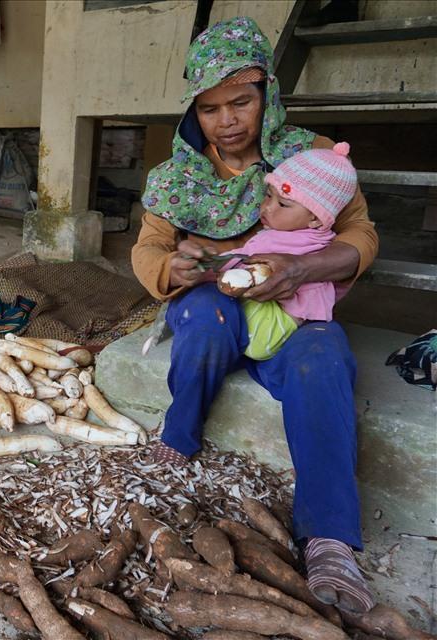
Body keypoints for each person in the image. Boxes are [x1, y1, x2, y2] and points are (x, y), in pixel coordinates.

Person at [132, 17, 378, 614]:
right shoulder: (176, 176)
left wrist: (299, 271)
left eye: (241, 101)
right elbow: (147, 249)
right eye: (211, 108)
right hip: (218, 305)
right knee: (209, 316)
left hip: (294, 311)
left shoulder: (313, 158)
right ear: (195, 110)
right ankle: (180, 434)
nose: (228, 121)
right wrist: (174, 267)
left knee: (324, 358)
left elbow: (359, 235)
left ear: (268, 93)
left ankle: (329, 538)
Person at [225, 142, 358, 360]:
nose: (267, 207)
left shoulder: (291, 242)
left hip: (275, 323)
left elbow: (242, 260)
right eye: (268, 195)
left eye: (283, 204)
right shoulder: (298, 233)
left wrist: (209, 267)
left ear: (315, 218)